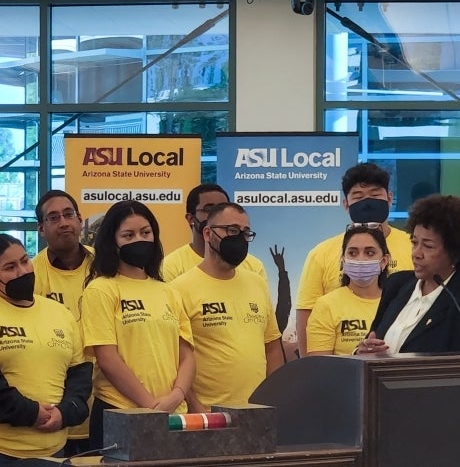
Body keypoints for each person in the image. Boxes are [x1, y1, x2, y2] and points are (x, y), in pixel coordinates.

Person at [0, 234, 91, 466]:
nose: (23, 271)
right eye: (10, 267)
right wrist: (31, 413)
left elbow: (79, 374)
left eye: (25, 261)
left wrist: (65, 413)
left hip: (52, 449)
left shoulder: (60, 313)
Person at [81, 200, 194, 449]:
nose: (139, 240)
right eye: (128, 235)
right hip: (120, 413)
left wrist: (176, 396)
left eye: (145, 232)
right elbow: (107, 359)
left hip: (173, 414)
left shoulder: (169, 292)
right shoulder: (101, 289)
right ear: (113, 241)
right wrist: (151, 406)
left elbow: (186, 356)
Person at [170, 203, 283, 412]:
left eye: (245, 233)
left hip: (257, 413)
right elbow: (174, 360)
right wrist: (197, 408)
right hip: (207, 416)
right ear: (207, 233)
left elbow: (273, 347)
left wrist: (271, 400)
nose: (239, 238)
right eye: (231, 231)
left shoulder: (257, 283)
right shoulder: (179, 289)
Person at [295, 163, 413, 357]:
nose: (367, 202)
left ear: (390, 198)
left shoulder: (412, 246)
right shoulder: (321, 253)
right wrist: (311, 369)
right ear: (346, 204)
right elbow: (306, 315)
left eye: (375, 196)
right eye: (358, 197)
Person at [359, 195, 460, 355]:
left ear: (455, 252)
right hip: (377, 379)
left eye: (428, 246)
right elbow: (373, 338)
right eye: (414, 242)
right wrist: (363, 351)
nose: (416, 253)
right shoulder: (397, 283)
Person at [32, 190, 95, 456]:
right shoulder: (31, 274)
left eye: (69, 215)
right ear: (42, 230)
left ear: (80, 220)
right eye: (53, 218)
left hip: (106, 399)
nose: (64, 222)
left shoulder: (104, 265)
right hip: (53, 407)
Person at [306, 226, 390, 356]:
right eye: (352, 253)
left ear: (384, 261)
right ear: (343, 261)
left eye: (369, 253)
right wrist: (356, 356)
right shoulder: (327, 305)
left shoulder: (397, 303)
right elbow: (319, 368)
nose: (360, 259)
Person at [161, 183, 267, 282]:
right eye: (209, 209)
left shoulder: (254, 266)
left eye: (222, 209)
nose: (216, 214)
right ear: (191, 218)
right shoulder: (171, 266)